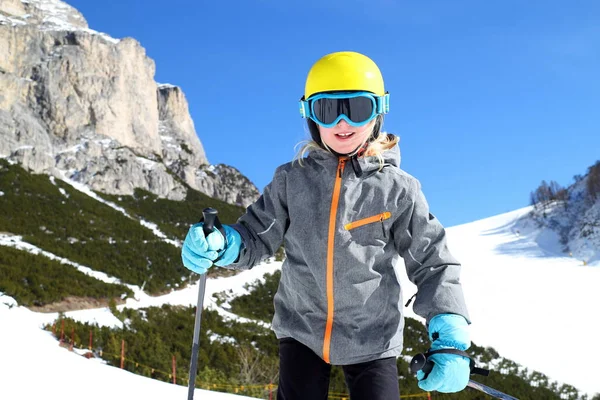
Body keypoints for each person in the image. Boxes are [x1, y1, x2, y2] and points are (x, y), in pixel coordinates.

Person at [181, 51, 471, 400]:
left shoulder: (397, 189)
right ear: (310, 116)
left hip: (372, 336)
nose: (343, 123)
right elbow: (255, 236)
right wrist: (224, 243)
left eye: (358, 108)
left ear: (379, 112)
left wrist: (449, 331)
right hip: (302, 328)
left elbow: (432, 260)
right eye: (329, 110)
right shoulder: (292, 181)